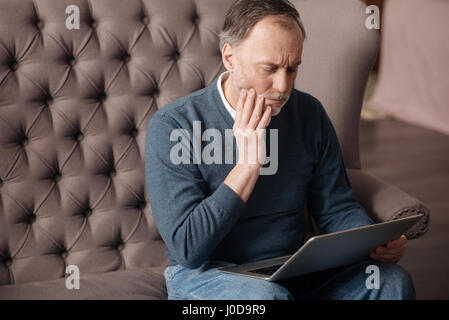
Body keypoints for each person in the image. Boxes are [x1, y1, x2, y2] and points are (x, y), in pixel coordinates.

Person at [145, 0, 415, 300]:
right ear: (229, 57)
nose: (282, 86)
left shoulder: (308, 113)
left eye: (292, 69)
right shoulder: (174, 126)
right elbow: (188, 248)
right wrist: (247, 165)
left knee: (388, 281)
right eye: (269, 69)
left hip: (291, 269)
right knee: (265, 298)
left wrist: (371, 241)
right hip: (205, 277)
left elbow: (337, 207)